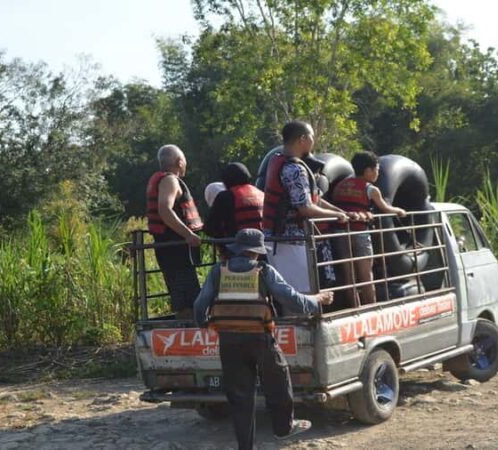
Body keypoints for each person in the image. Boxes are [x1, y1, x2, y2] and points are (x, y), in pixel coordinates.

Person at [193, 229, 334, 450]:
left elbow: (200, 305)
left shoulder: (218, 271)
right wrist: (317, 300)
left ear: (238, 249)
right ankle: (283, 427)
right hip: (260, 338)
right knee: (278, 379)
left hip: (229, 341)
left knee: (240, 397)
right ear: (256, 252)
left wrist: (205, 324)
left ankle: (245, 446)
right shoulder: (263, 271)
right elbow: (291, 298)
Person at [262, 120, 355, 293]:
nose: (314, 140)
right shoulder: (295, 169)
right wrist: (336, 217)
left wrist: (340, 211)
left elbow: (314, 198)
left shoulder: (278, 161)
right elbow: (305, 208)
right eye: (312, 136)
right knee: (300, 292)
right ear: (303, 139)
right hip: (289, 241)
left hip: (277, 239)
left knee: (290, 291)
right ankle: (302, 320)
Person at [331, 151, 406, 307]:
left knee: (348, 276)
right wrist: (399, 211)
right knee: (366, 275)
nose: (377, 173)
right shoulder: (370, 189)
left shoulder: (340, 185)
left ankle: (355, 308)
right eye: (376, 169)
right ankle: (371, 308)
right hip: (359, 232)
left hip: (340, 232)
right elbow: (385, 208)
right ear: (368, 171)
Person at [146, 144, 204, 320]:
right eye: (185, 160)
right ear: (179, 162)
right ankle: (188, 337)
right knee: (187, 300)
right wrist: (188, 235)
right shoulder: (170, 180)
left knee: (185, 297)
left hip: (169, 249)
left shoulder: (160, 179)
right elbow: (165, 209)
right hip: (176, 250)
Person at [204, 163, 264, 239]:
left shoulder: (225, 196)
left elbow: (210, 228)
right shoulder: (261, 194)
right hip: (263, 245)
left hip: (238, 246)